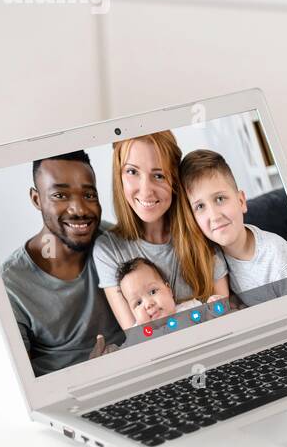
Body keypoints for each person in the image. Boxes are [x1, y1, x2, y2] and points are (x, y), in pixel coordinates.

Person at [0, 151, 124, 376]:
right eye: (60, 195)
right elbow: (20, 383)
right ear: (36, 199)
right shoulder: (9, 285)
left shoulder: (113, 242)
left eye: (88, 195)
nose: (79, 210)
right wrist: (89, 375)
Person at [93, 130, 229, 328]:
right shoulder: (108, 250)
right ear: (119, 176)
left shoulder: (203, 229)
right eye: (132, 172)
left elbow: (225, 319)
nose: (146, 190)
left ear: (174, 180)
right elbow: (139, 336)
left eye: (158, 175)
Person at [179, 149, 287, 306]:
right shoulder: (215, 257)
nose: (214, 216)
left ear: (241, 201)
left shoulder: (279, 260)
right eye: (200, 206)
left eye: (220, 199)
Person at [115, 256, 202, 325]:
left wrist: (212, 306)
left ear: (169, 290)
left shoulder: (190, 309)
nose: (148, 304)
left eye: (153, 292)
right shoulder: (138, 335)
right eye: (138, 303)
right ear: (132, 312)